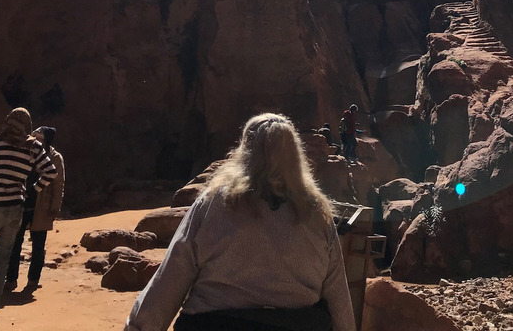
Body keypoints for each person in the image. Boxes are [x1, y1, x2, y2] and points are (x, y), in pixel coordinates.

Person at [124, 113, 356, 331]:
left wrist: (139, 326)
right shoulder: (316, 213)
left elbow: (172, 275)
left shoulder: (215, 203)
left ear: (245, 150)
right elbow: (338, 296)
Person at [0, 109, 56, 330]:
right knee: (2, 262)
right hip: (15, 208)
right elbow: (51, 172)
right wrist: (32, 189)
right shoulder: (32, 147)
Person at [4, 126, 64, 293]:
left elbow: (58, 184)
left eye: (40, 138)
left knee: (38, 245)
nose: (36, 141)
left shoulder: (55, 158)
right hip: (21, 203)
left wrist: (55, 207)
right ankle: (11, 279)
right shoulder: (25, 151)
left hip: (42, 206)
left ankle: (33, 280)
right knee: (15, 243)